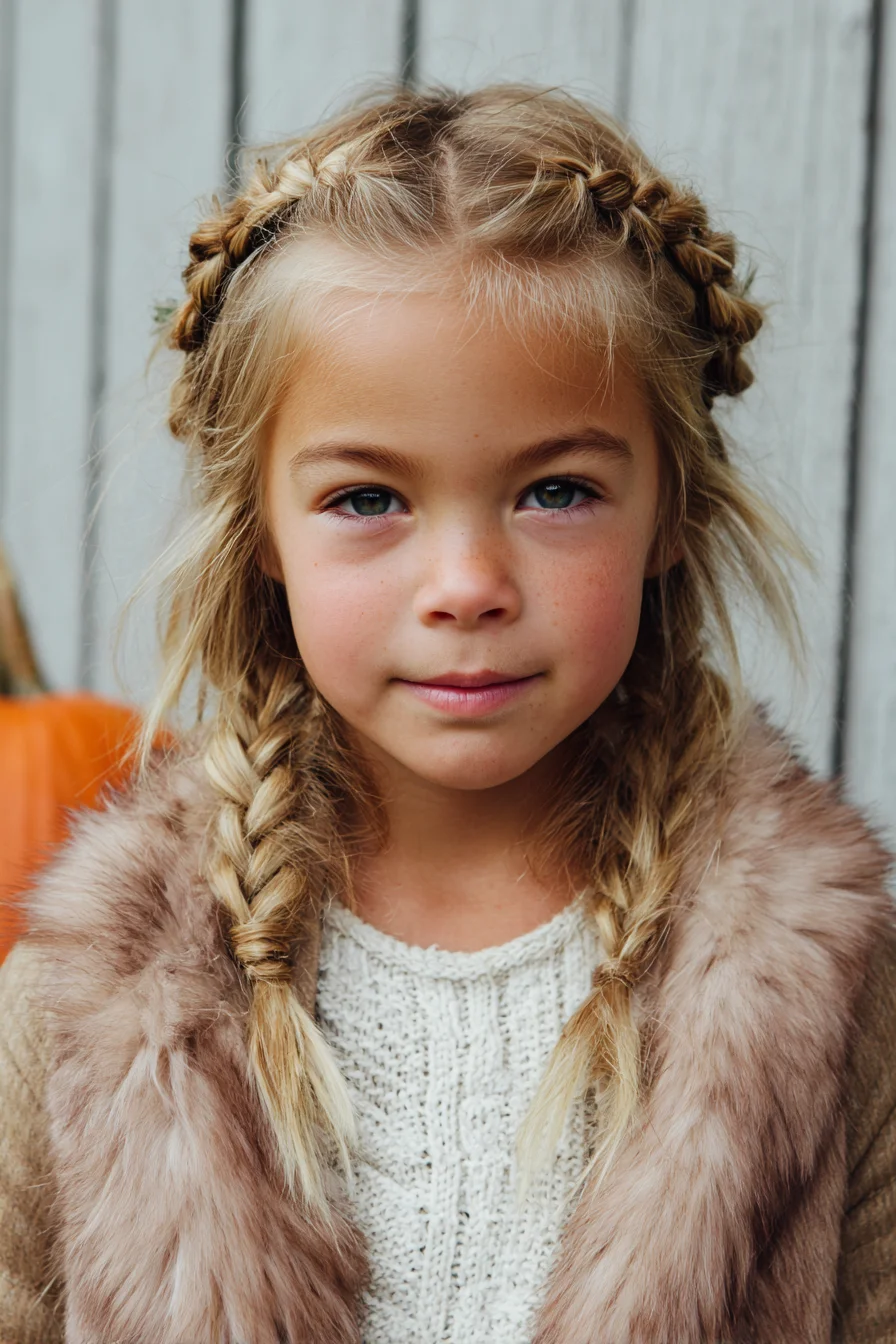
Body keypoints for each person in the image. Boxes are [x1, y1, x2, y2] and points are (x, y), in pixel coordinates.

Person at [0, 80, 894, 1344]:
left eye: (556, 492)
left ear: (671, 510)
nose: (467, 586)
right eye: (368, 500)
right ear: (260, 528)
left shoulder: (827, 993)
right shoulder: (84, 1006)